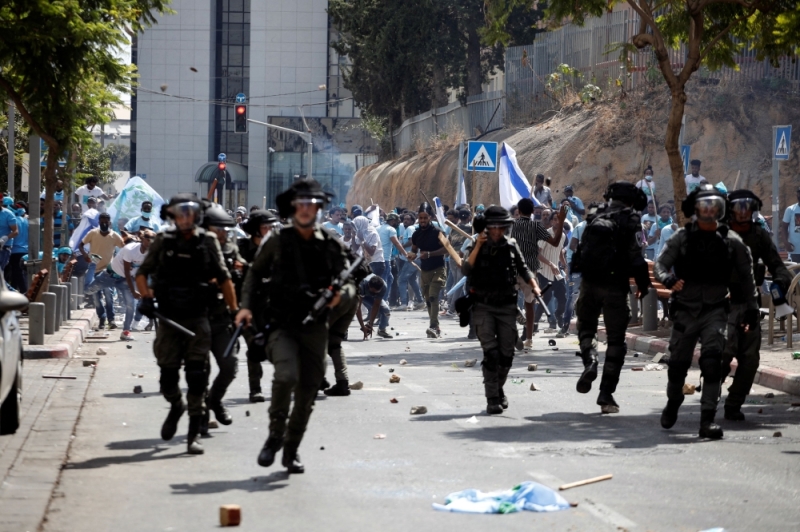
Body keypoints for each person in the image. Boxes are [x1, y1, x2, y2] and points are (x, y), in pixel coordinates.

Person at [235, 179, 354, 474]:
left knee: (308, 391)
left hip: (315, 328)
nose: (305, 209)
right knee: (286, 376)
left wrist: (339, 296)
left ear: (318, 208)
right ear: (292, 207)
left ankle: (291, 449)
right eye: (300, 203)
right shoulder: (277, 240)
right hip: (282, 324)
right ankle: (275, 435)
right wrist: (246, 306)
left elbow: (349, 282)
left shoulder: (329, 243)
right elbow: (254, 274)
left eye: (311, 204)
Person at [655, 185, 758, 439]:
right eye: (704, 206)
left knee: (713, 362)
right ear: (695, 209)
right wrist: (668, 279)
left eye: (714, 207)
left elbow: (747, 278)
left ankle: (707, 420)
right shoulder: (682, 237)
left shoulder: (732, 242)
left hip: (715, 310)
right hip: (685, 310)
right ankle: (673, 401)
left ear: (721, 210)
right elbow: (661, 264)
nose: (709, 211)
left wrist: (752, 308)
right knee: (677, 365)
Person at [136, 194, 236, 455]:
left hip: (198, 318)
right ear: (172, 216)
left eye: (189, 212)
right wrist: (146, 297)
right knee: (168, 378)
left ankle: (193, 434)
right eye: (180, 213)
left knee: (196, 377)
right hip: (168, 318)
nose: (185, 218)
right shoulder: (163, 240)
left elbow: (224, 278)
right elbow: (142, 273)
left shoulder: (208, 241)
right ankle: (176, 406)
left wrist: (234, 311)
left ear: (197, 215)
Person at [571, 182, 651, 413]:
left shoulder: (595, 214)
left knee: (586, 328)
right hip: (616, 286)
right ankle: (606, 395)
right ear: (631, 201)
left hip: (590, 283)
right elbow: (637, 257)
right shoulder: (632, 220)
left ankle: (590, 361)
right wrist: (643, 287)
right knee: (616, 341)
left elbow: (581, 248)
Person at [462, 205, 539, 414]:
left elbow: (524, 268)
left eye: (500, 227)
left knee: (506, 355)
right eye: (493, 227)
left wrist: (534, 285)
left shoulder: (511, 245)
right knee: (491, 354)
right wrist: (478, 246)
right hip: (483, 306)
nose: (497, 231)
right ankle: (492, 399)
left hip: (506, 306)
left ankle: (498, 388)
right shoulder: (477, 243)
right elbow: (466, 269)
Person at [723, 190, 792, 421]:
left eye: (748, 208)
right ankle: (710, 397)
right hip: (722, 305)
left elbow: (777, 265)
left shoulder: (759, 235)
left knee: (750, 359)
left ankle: (734, 403)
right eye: (738, 208)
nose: (743, 213)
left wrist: (780, 281)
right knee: (722, 354)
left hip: (749, 305)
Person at [201, 207, 245, 431]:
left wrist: (240, 272)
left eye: (225, 230)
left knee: (230, 365)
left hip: (222, 318)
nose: (222, 234)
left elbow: (241, 269)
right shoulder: (196, 248)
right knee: (201, 371)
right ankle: (201, 417)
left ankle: (215, 400)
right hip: (199, 319)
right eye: (217, 229)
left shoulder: (230, 247)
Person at [511, 199, 567, 346]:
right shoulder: (537, 227)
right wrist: (561, 221)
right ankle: (529, 339)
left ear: (519, 211)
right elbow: (555, 242)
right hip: (530, 270)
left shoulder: (511, 225)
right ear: (532, 212)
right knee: (530, 304)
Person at [103, 229, 154, 341]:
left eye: (153, 239)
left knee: (132, 303)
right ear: (142, 239)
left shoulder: (151, 253)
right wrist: (133, 290)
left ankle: (126, 331)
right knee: (90, 289)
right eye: (148, 239)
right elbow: (126, 271)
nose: (151, 242)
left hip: (128, 279)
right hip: (111, 275)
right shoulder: (130, 250)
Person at [407, 203, 447, 338]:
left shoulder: (438, 232)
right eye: (420, 218)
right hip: (424, 271)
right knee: (428, 299)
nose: (423, 220)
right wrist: (411, 255)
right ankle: (435, 326)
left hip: (438, 268)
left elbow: (447, 249)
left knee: (433, 296)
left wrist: (430, 254)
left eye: (425, 218)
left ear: (430, 217)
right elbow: (414, 250)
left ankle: (433, 326)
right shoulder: (416, 234)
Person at [79, 212, 124, 330]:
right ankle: (102, 318)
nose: (104, 223)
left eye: (106, 221)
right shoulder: (93, 233)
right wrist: (85, 255)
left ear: (109, 223)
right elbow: (81, 245)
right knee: (96, 297)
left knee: (109, 295)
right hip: (94, 268)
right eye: (102, 221)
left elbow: (124, 248)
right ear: (99, 222)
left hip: (108, 270)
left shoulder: (115, 236)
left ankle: (111, 319)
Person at [535, 212, 568, 334]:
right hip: (544, 271)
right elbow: (537, 253)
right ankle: (534, 323)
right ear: (551, 221)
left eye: (560, 219)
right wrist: (551, 264)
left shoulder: (562, 235)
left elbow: (559, 252)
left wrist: (564, 265)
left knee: (563, 297)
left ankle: (558, 314)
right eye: (555, 219)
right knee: (546, 298)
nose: (557, 221)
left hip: (556, 272)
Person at [395, 212, 425, 311]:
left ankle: (404, 303)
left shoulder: (410, 229)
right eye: (404, 219)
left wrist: (401, 247)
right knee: (412, 280)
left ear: (412, 221)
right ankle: (420, 301)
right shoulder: (414, 228)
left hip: (413, 258)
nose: (405, 221)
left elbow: (412, 241)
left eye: (408, 219)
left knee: (401, 280)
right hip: (417, 257)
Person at [376, 213, 407, 302]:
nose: (398, 224)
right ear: (393, 221)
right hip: (385, 259)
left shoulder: (378, 228)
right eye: (397, 222)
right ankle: (382, 301)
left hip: (377, 258)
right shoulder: (391, 229)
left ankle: (383, 299)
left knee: (390, 278)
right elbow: (396, 243)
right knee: (384, 280)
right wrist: (406, 254)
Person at [357, 274, 392, 339]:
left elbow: (376, 305)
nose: (374, 293)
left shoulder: (383, 287)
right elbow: (357, 308)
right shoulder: (362, 285)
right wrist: (362, 326)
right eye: (373, 291)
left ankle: (382, 330)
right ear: (369, 286)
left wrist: (371, 324)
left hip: (368, 294)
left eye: (376, 292)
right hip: (358, 293)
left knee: (386, 310)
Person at [7, 205, 28, 293]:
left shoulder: (13, 221)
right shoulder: (26, 221)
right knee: (17, 273)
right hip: (25, 250)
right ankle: (14, 290)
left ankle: (23, 291)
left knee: (16, 272)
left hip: (14, 250)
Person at [780, 187, 800, 262]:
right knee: (796, 269)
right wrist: (786, 242)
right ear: (797, 195)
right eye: (799, 193)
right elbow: (784, 227)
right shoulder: (790, 209)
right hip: (795, 250)